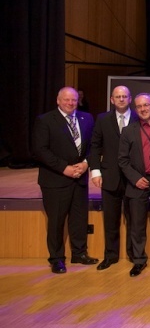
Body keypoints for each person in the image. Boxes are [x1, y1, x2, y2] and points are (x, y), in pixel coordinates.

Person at [32, 87, 98, 273]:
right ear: (58, 100)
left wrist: (86, 164)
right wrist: (64, 168)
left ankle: (79, 253)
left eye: (74, 100)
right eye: (66, 99)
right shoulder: (45, 120)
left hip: (79, 177)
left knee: (79, 219)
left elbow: (93, 145)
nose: (70, 103)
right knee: (56, 222)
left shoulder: (87, 118)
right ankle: (57, 259)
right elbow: (40, 150)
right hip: (55, 180)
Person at [89, 85, 136, 270]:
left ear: (130, 99)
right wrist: (95, 171)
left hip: (133, 177)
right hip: (110, 177)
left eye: (124, 96)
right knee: (110, 220)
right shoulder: (102, 119)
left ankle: (134, 255)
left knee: (134, 220)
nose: (121, 99)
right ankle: (110, 255)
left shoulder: (139, 117)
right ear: (112, 99)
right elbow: (95, 146)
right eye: (118, 96)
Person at [118, 93, 150, 278]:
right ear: (135, 109)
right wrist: (135, 178)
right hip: (138, 181)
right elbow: (122, 160)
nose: (143, 109)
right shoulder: (128, 131)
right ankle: (138, 260)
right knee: (137, 225)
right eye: (139, 106)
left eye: (146, 105)